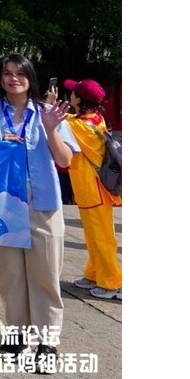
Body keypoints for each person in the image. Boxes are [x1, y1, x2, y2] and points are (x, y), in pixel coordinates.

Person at [0, 55, 77, 371]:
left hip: (42, 201)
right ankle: (17, 336)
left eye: (20, 73)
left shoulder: (48, 113)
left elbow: (65, 161)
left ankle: (47, 342)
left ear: (30, 77)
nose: (13, 78)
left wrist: (51, 130)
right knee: (9, 274)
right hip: (2, 202)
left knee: (45, 272)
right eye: (7, 73)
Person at [60, 78, 121, 301]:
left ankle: (112, 283)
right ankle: (95, 274)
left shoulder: (80, 126)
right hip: (93, 190)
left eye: (73, 93)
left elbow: (60, 121)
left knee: (102, 238)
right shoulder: (95, 119)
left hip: (94, 191)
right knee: (93, 236)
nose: (70, 95)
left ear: (79, 100)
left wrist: (51, 105)